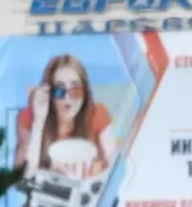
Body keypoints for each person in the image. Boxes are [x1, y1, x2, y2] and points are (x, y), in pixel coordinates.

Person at [15, 52, 116, 182]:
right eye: (59, 91)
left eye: (76, 90)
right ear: (49, 93)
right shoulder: (29, 116)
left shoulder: (96, 113)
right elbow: (25, 176)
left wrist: (100, 168)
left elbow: (114, 165)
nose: (67, 98)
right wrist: (38, 121)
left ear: (85, 92)